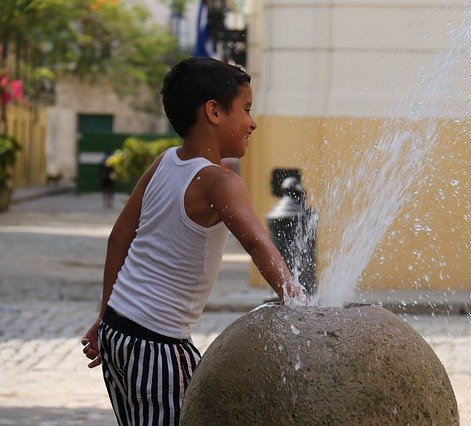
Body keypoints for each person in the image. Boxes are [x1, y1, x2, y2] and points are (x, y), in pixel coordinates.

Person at [81, 57, 305, 425]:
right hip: (158, 344)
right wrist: (297, 301)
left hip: (119, 332)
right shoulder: (220, 182)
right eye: (246, 110)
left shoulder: (165, 162)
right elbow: (256, 243)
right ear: (214, 112)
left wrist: (105, 314)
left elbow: (119, 235)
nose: (252, 123)